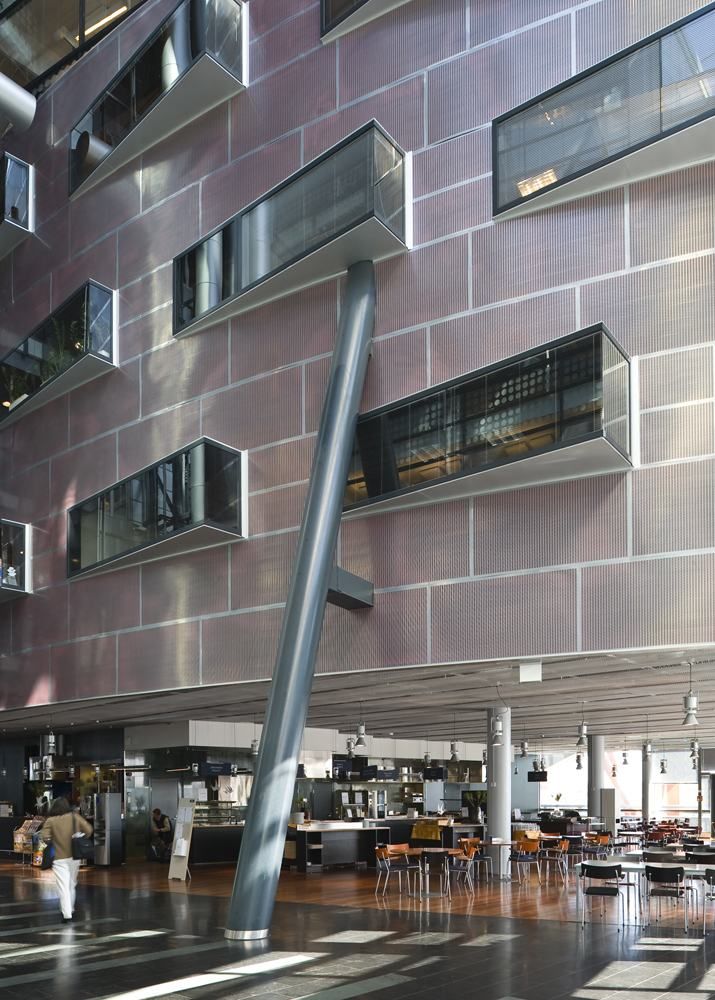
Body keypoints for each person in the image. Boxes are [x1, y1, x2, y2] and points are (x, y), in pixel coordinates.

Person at [41, 797, 93, 922]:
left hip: (59, 858)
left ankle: (67, 914)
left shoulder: (51, 820)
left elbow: (44, 837)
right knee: (71, 884)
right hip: (75, 856)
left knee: (63, 886)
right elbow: (89, 830)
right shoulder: (75, 817)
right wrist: (79, 836)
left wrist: (53, 840)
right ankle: (71, 909)